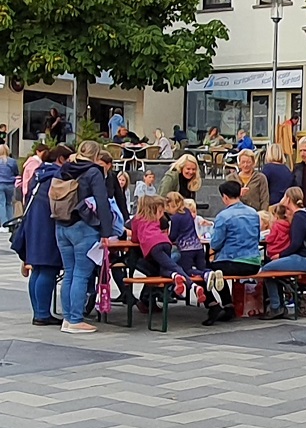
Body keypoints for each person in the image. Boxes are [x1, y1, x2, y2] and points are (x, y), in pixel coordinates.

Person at [54, 141, 115, 334]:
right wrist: (107, 232)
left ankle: (67, 318)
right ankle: (76, 320)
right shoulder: (93, 172)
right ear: (96, 155)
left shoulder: (65, 168)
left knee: (70, 273)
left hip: (61, 224)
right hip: (84, 227)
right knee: (81, 274)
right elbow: (102, 202)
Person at [11, 150, 64, 325]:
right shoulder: (55, 177)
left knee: (38, 269)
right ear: (61, 159)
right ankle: (42, 314)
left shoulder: (39, 175)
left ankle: (38, 311)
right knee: (48, 269)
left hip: (33, 226)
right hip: (47, 227)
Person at [204, 181, 265, 325]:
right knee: (217, 271)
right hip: (254, 263)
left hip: (232, 261)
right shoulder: (253, 213)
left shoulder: (223, 216)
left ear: (225, 197)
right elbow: (257, 237)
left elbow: (216, 243)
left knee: (204, 271)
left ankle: (217, 304)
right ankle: (227, 306)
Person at [130, 196, 206, 308]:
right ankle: (175, 276)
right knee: (164, 269)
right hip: (166, 243)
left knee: (173, 266)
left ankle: (193, 286)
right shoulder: (155, 218)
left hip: (154, 246)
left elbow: (134, 239)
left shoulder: (137, 219)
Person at [259, 189, 306, 319]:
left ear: (288, 199)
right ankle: (279, 304)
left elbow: (296, 244)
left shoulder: (299, 217)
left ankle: (276, 307)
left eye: (284, 196)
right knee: (273, 270)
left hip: (304, 259)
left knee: (266, 269)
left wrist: (280, 255)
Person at [165, 191, 220, 293]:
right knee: (201, 267)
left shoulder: (175, 217)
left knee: (186, 270)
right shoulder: (187, 212)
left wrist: (166, 238)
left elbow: (173, 236)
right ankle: (211, 273)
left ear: (170, 205)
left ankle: (205, 275)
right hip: (198, 246)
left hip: (186, 248)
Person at [0, 144, 16, 227]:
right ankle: (10, 222)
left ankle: (3, 224)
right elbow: (16, 172)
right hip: (10, 184)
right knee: (9, 203)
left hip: (0, 184)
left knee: (1, 203)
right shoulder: (12, 161)